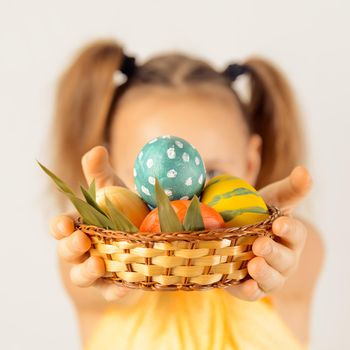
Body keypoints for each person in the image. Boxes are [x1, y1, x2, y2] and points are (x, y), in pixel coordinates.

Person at [47, 39, 324, 349]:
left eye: (213, 174)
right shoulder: (86, 263)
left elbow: (292, 266)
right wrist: (112, 251)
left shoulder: (296, 249)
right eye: (153, 185)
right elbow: (101, 290)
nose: (180, 208)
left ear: (250, 162)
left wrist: (259, 250)